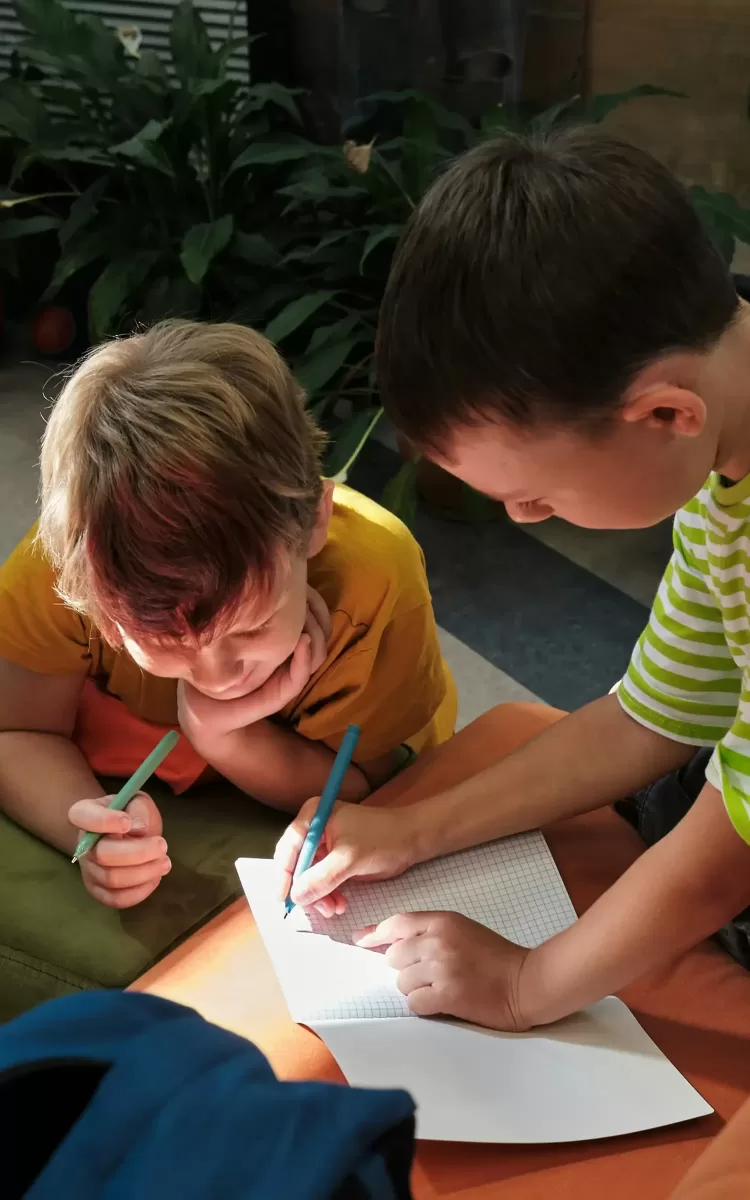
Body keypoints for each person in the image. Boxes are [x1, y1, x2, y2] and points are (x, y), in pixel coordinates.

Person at [276, 127, 750, 1030]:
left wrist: (523, 984)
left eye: (535, 496)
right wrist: (415, 830)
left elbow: (734, 847)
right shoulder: (721, 430)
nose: (524, 522)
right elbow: (663, 708)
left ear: (663, 412)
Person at [0, 321, 455, 909]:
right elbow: (17, 732)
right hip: (120, 776)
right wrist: (91, 839)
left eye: (253, 625)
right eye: (159, 638)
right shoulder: (72, 568)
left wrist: (225, 735)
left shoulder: (376, 581)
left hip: (306, 797)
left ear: (314, 521)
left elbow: (374, 790)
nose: (217, 675)